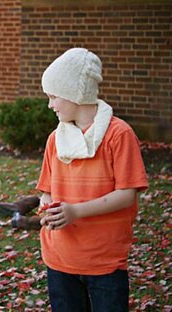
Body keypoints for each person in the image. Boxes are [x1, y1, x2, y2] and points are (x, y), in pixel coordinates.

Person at [34, 47, 148, 311]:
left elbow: (127, 193)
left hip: (103, 260)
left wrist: (76, 211)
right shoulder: (55, 139)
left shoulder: (119, 135)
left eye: (53, 96)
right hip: (59, 258)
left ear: (77, 93)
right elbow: (46, 191)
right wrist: (48, 207)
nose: (50, 104)